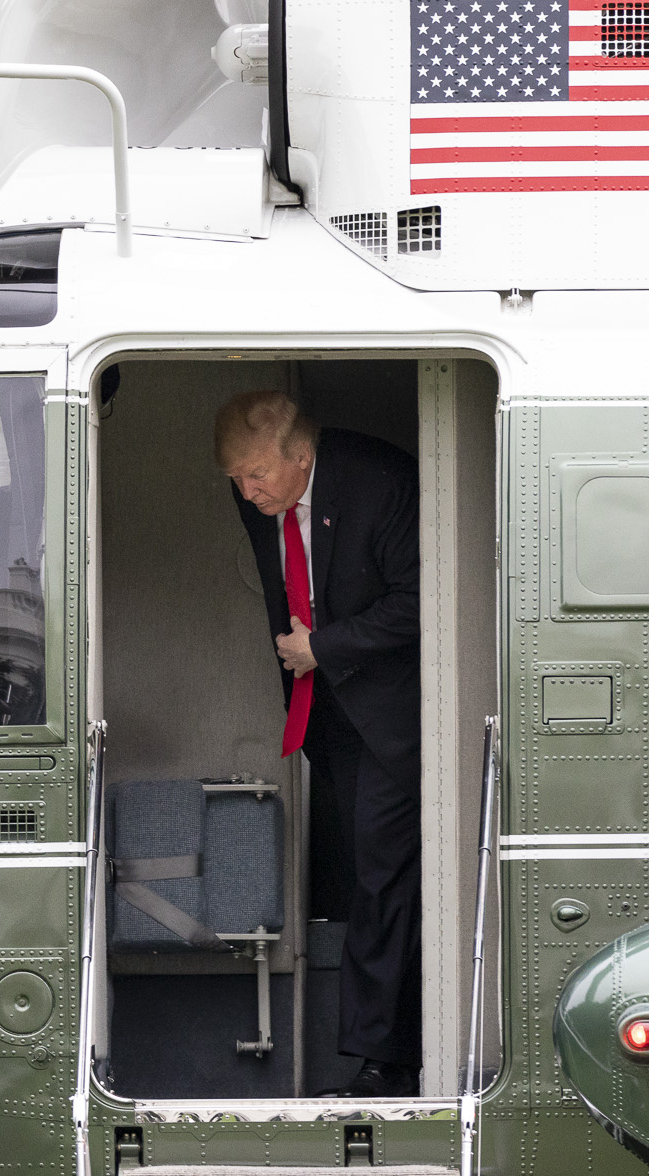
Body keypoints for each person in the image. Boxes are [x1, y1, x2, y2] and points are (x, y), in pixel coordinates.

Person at [216, 390, 422, 1098]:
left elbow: (421, 598)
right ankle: (381, 1053)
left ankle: (384, 1065)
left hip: (394, 721)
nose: (247, 491)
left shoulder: (381, 481)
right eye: (237, 478)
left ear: (301, 457)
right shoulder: (259, 495)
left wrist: (323, 647)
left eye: (258, 476)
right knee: (364, 872)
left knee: (380, 879)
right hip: (325, 717)